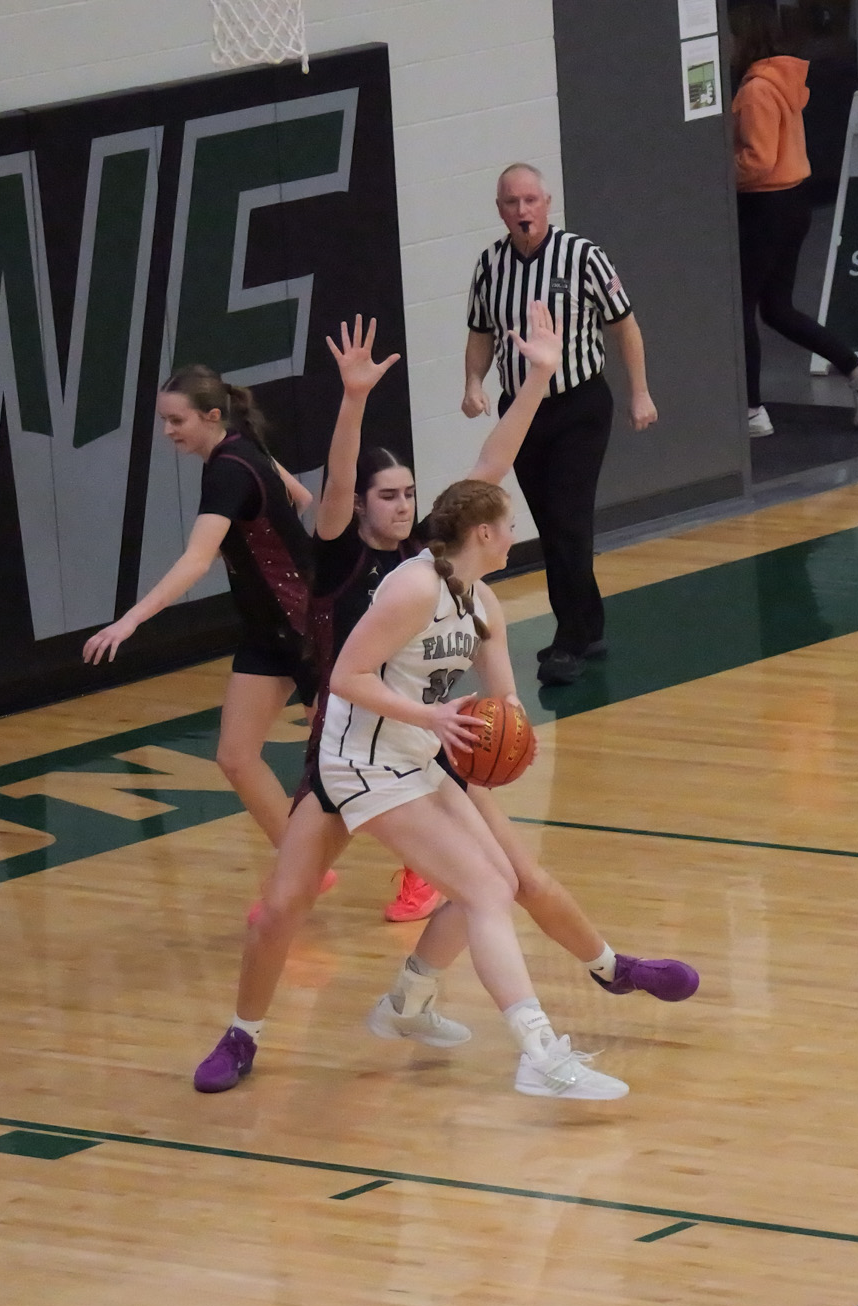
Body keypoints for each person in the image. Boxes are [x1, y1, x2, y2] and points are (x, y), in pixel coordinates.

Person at [193, 309, 696, 1098]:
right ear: (361, 505)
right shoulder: (351, 559)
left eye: (409, 495)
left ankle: (432, 998)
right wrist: (354, 398)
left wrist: (537, 377)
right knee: (286, 909)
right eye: (387, 495)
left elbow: (490, 467)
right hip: (352, 752)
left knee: (501, 879)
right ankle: (244, 1032)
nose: (401, 505)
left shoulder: (450, 566)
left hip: (415, 749)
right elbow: (340, 488)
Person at [84, 367, 320, 853]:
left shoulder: (230, 469)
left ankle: (424, 866)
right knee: (235, 757)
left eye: (177, 420)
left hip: (308, 630)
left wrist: (129, 621)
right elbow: (300, 497)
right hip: (266, 631)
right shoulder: (241, 445)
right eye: (164, 420)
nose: (167, 431)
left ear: (212, 415)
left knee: (348, 763)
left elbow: (196, 560)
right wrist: (262, 546)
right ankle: (301, 866)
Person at [463, 163, 656, 688]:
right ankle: (588, 626)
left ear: (547, 203)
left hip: (579, 405)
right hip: (521, 411)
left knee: (569, 519)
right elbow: (480, 333)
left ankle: (569, 640)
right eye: (511, 203)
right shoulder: (490, 265)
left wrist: (640, 391)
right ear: (499, 210)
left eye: (530, 200)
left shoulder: (583, 256)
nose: (522, 211)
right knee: (551, 524)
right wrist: (473, 382)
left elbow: (625, 326)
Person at [731, 3, 858, 439]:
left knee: (740, 308)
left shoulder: (755, 90)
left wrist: (717, 174)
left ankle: (753, 410)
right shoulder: (783, 81)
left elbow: (758, 160)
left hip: (764, 207)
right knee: (776, 308)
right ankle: (854, 367)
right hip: (795, 203)